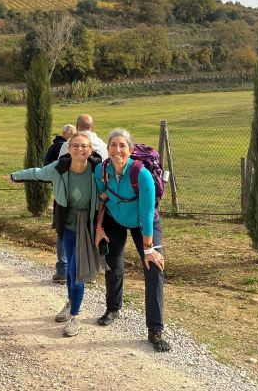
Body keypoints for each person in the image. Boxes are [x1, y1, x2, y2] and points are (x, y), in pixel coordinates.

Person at [12, 131, 105, 336]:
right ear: (69, 148)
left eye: (84, 146)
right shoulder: (59, 168)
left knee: (75, 272)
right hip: (66, 225)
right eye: (76, 146)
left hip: (87, 227)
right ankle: (71, 302)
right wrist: (15, 176)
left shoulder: (97, 170)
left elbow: (112, 186)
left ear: (90, 150)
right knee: (71, 271)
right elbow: (37, 172)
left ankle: (75, 316)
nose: (80, 149)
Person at [94, 128, 170, 352]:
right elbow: (102, 198)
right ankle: (113, 309)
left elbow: (147, 214)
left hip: (143, 224)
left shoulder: (142, 174)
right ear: (107, 149)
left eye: (122, 145)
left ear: (130, 149)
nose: (117, 150)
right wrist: (99, 227)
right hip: (114, 220)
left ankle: (155, 329)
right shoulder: (102, 169)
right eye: (113, 145)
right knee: (113, 265)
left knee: (154, 268)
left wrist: (148, 249)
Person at [46, 123, 76, 284]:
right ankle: (71, 269)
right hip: (66, 194)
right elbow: (47, 168)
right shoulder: (60, 147)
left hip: (64, 194)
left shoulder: (60, 146)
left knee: (63, 231)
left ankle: (64, 270)